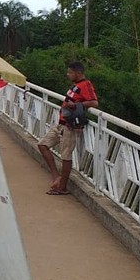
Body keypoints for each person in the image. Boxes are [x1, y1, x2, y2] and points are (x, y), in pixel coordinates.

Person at [39, 61, 98, 195]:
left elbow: (94, 102)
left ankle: (62, 187)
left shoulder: (85, 84)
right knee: (42, 145)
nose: (68, 74)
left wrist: (76, 105)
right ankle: (56, 177)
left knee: (66, 155)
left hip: (70, 126)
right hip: (61, 124)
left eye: (70, 72)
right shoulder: (75, 85)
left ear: (78, 73)